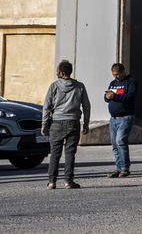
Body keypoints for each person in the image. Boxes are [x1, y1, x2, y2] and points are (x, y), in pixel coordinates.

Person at [42, 60, 90, 189]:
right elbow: (86, 106)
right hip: (73, 122)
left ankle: (52, 182)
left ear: (61, 73)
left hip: (57, 122)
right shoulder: (79, 86)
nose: (56, 72)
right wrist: (86, 123)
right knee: (70, 153)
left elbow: (47, 106)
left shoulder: (54, 86)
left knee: (55, 153)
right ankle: (68, 181)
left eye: (57, 70)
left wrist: (44, 123)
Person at [104, 63, 136, 178]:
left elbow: (129, 97)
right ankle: (118, 168)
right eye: (113, 75)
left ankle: (125, 168)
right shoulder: (113, 83)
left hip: (126, 117)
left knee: (120, 141)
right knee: (114, 144)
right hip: (113, 119)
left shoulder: (130, 82)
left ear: (123, 72)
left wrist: (115, 96)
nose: (115, 77)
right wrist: (107, 97)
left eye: (117, 74)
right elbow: (107, 98)